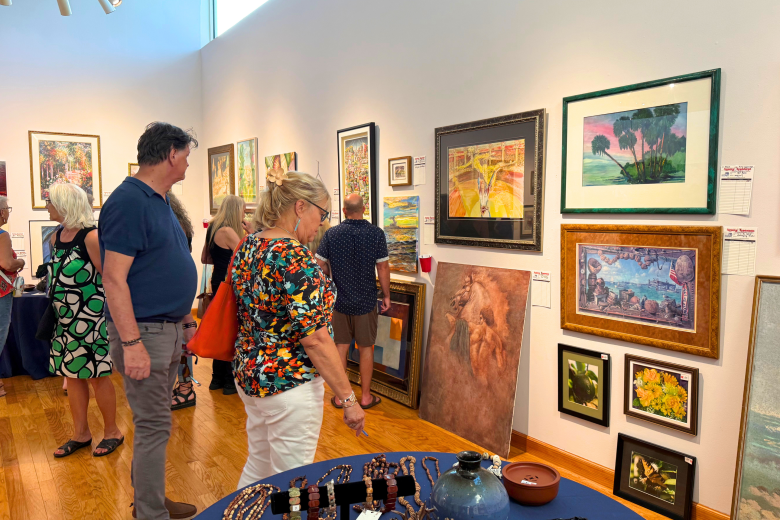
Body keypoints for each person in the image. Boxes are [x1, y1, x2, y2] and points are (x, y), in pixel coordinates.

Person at [232, 171, 365, 488]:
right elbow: (317, 340)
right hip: (288, 383)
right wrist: (348, 400)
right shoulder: (293, 257)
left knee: (258, 466)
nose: (322, 223)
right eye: (322, 213)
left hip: (250, 375)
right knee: (293, 483)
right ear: (301, 207)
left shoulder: (249, 245)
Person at [99, 122, 199, 520]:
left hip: (166, 329)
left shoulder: (156, 198)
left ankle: (151, 501)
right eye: (187, 154)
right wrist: (131, 343)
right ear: (171, 154)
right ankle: (150, 513)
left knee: (156, 426)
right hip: (146, 334)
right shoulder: (130, 201)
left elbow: (161, 264)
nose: (188, 162)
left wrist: (186, 317)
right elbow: (113, 278)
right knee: (155, 426)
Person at [43, 184, 123, 458]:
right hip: (64, 321)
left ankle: (112, 431)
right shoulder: (56, 237)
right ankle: (81, 433)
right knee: (73, 376)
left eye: (50, 201)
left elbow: (111, 278)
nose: (47, 206)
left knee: (98, 376)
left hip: (91, 319)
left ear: (65, 203)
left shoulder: (91, 237)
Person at [315, 193, 391, 409]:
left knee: (341, 347)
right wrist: (386, 295)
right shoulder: (376, 234)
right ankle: (365, 397)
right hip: (366, 301)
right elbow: (383, 267)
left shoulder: (332, 234)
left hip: (340, 302)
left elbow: (318, 264)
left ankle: (341, 397)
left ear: (345, 210)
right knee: (366, 348)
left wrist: (330, 276)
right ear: (364, 208)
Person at [201, 194, 245, 396]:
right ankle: (229, 381)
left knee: (220, 329)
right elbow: (247, 255)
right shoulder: (228, 231)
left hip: (217, 281)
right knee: (230, 330)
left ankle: (216, 379)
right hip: (230, 285)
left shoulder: (212, 228)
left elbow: (204, 258)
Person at [168, 191, 197, 410]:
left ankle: (186, 389)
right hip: (181, 282)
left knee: (182, 342)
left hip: (174, 284)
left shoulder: (172, 224)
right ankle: (185, 387)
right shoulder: (181, 224)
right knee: (183, 341)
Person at [0, 197, 24, 398]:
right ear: (1, 212)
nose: (8, 212)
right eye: (7, 208)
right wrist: (20, 261)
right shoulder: (2, 235)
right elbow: (7, 264)